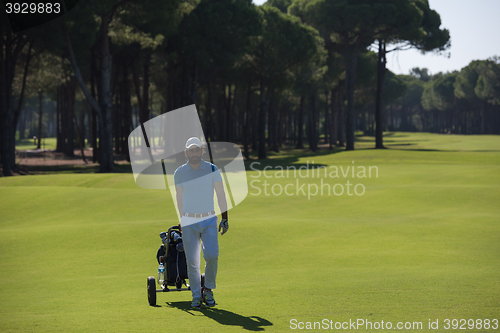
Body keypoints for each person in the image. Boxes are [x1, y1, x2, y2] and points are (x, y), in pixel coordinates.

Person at [173, 137, 229, 310]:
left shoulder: (212, 169)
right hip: (189, 219)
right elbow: (179, 197)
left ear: (202, 151)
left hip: (209, 218)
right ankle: (196, 296)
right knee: (192, 262)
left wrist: (225, 218)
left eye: (197, 150)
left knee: (212, 255)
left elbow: (220, 194)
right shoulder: (179, 172)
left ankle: (209, 290)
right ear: (186, 152)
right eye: (192, 150)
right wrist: (181, 218)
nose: (195, 153)